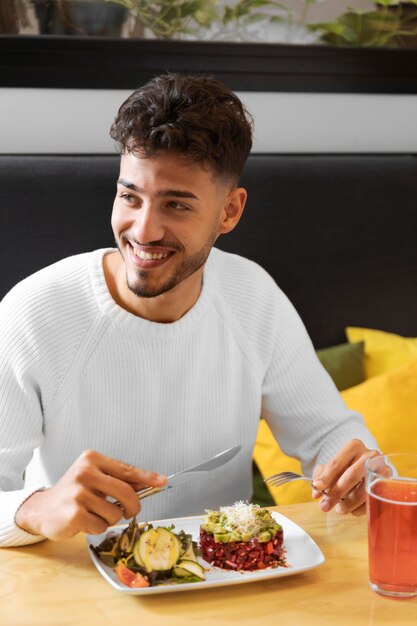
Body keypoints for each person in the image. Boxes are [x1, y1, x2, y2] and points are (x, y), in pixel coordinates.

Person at [0, 73, 378, 548]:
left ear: (229, 212)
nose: (144, 231)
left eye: (176, 205)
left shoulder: (253, 296)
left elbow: (329, 435)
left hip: (227, 580)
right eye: (129, 196)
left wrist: (363, 471)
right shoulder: (34, 312)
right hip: (79, 588)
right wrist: (35, 507)